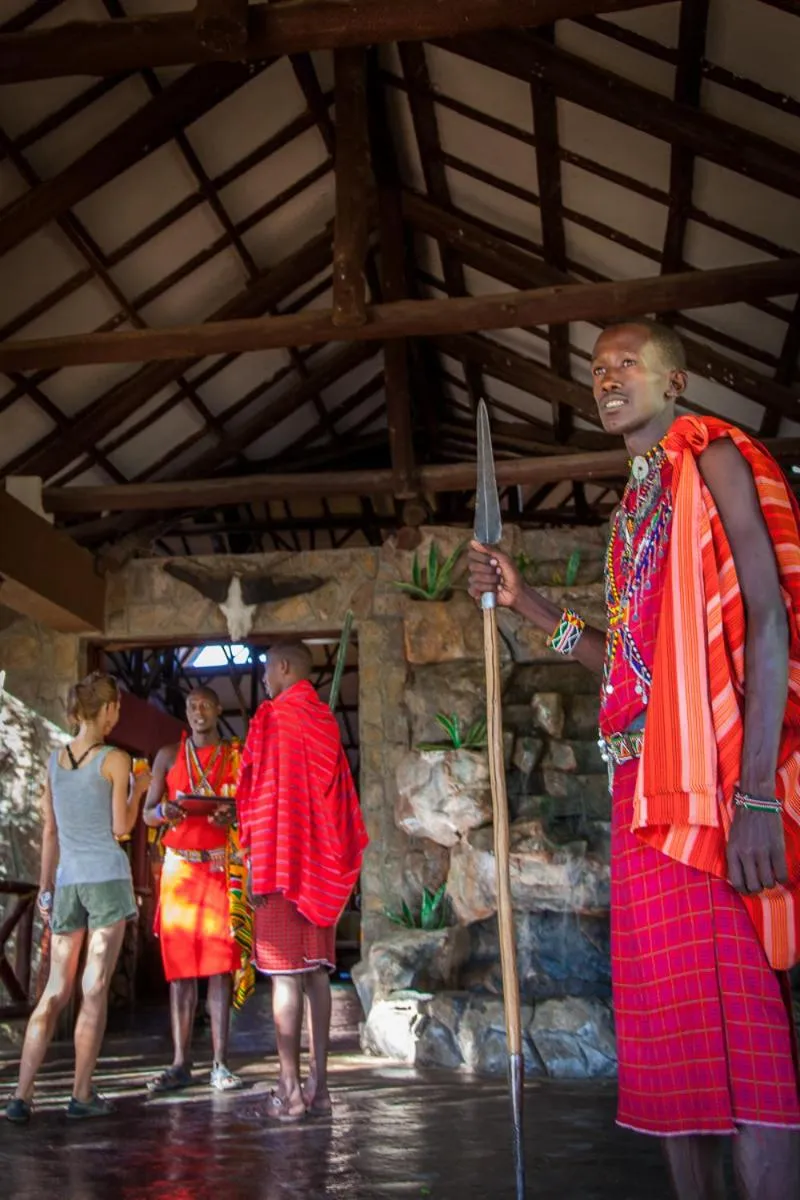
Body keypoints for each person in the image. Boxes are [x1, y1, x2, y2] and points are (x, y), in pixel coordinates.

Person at [469, 320, 800, 1200]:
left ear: (676, 381)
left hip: (714, 789)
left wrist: (761, 796)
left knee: (747, 1030)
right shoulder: (633, 516)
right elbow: (626, 661)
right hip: (638, 786)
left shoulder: (716, 460)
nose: (605, 377)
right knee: (671, 1037)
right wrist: (524, 599)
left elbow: (771, 619)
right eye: (595, 368)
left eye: (625, 363)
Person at [5, 672, 148, 1124]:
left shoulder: (54, 761)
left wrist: (46, 885)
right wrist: (140, 790)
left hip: (67, 882)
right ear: (105, 710)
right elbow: (121, 827)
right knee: (95, 986)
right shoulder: (115, 759)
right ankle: (81, 1093)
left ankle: (21, 1095)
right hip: (105, 877)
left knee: (53, 990)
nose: (118, 715)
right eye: (117, 708)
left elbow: (50, 830)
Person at [236, 640, 368, 1121]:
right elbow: (340, 803)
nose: (266, 682)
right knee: (316, 975)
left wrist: (253, 861)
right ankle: (321, 1088)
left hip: (280, 868)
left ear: (286, 667)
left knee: (284, 977)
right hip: (320, 872)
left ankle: (288, 1090)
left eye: (268, 672)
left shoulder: (271, 720)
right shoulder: (326, 723)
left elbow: (254, 796)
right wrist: (332, 865)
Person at [143, 687, 249, 1094]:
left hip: (221, 868)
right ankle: (180, 1062)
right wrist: (164, 812)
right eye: (190, 705)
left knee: (220, 969)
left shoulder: (235, 754)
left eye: (205, 704)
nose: (198, 711)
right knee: (181, 974)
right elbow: (149, 813)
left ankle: (220, 1063)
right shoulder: (169, 754)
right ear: (185, 712)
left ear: (217, 709)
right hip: (181, 870)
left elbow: (249, 807)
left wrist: (232, 814)